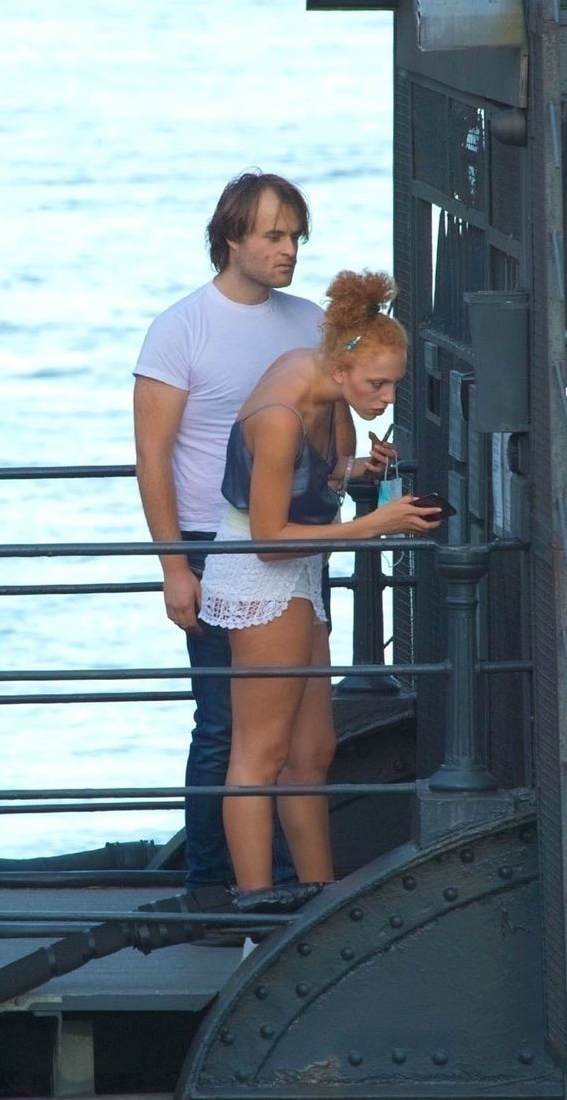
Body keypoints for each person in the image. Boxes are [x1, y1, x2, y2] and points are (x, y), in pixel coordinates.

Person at [198, 270, 442, 898]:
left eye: (394, 384)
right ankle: (257, 914)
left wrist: (361, 470)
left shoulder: (321, 381)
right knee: (259, 755)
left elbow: (317, 478)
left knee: (312, 751)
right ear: (340, 368)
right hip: (259, 570)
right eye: (376, 385)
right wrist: (375, 524)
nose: (386, 398)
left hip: (302, 563)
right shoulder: (280, 416)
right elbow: (266, 536)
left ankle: (319, 898)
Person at [133, 172, 335, 891]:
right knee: (223, 723)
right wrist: (173, 567)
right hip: (206, 539)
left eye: (296, 237)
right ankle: (214, 887)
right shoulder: (181, 327)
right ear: (231, 238)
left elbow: (328, 437)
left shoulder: (312, 322)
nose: (290, 251)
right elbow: (151, 456)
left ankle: (282, 885)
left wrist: (357, 467)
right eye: (274, 236)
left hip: (296, 541)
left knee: (293, 728)